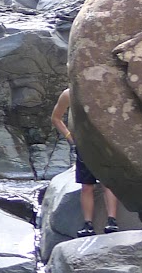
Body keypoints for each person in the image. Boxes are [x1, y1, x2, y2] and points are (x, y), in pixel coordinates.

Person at [50, 87, 121, 236]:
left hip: (104, 142)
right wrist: (70, 138)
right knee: (87, 186)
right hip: (84, 144)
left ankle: (112, 221)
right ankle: (88, 224)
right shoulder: (69, 94)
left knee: (108, 183)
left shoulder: (101, 89)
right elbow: (56, 118)